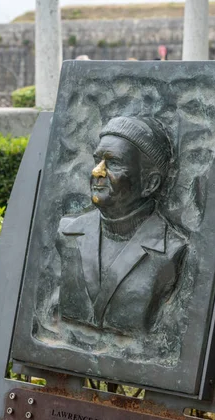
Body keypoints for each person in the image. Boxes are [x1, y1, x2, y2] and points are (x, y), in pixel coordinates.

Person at [56, 116, 187, 336]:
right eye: (97, 160)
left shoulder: (171, 251)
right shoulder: (66, 233)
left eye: (113, 163)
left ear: (150, 183)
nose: (97, 171)